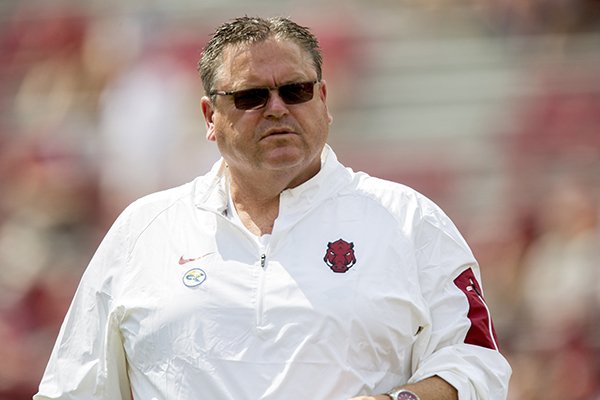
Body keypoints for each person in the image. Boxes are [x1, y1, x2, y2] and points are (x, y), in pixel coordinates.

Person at [34, 16, 511, 400]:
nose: (278, 108)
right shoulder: (144, 230)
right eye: (251, 96)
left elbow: (478, 366)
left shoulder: (410, 221)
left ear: (323, 100)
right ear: (210, 117)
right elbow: (73, 389)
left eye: (296, 90)